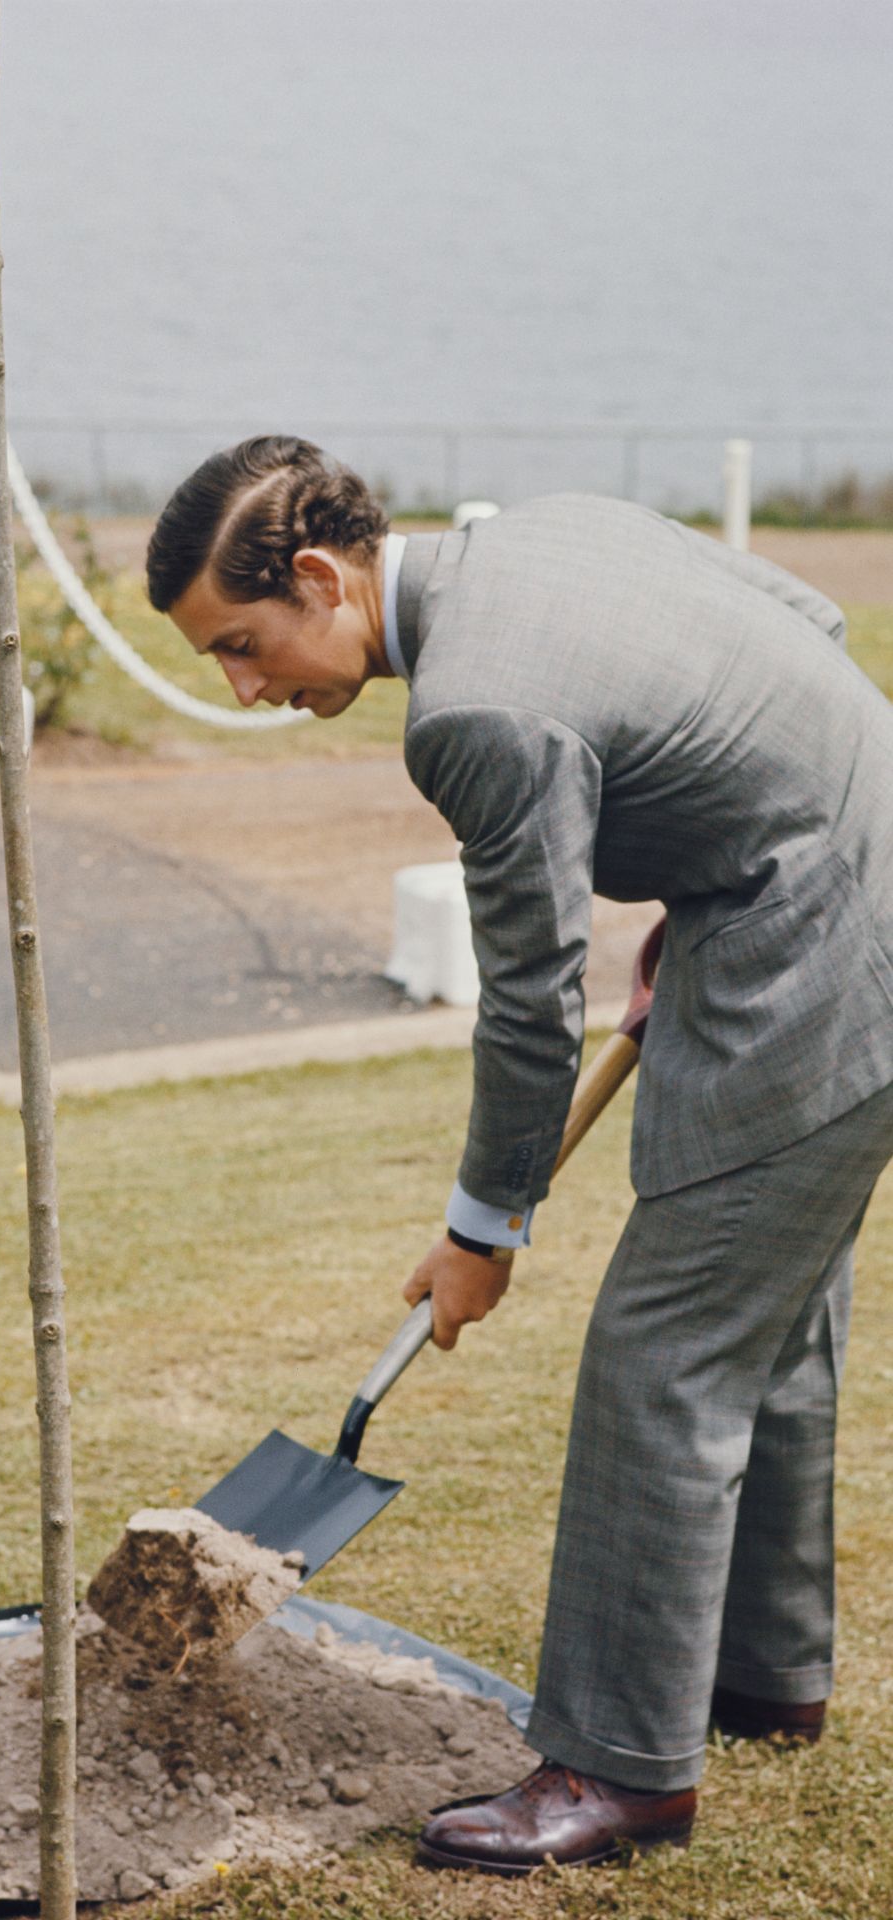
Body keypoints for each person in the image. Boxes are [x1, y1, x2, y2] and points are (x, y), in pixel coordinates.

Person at [145, 436, 893, 1873]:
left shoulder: (474, 713)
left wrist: (482, 1232)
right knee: (770, 1320)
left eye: (243, 647)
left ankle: (621, 1775)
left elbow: (535, 1002)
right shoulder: (548, 532)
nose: (246, 688)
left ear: (321, 577)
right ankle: (764, 1675)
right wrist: (723, 855)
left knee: (666, 1355)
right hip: (842, 876)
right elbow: (809, 626)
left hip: (823, 960)